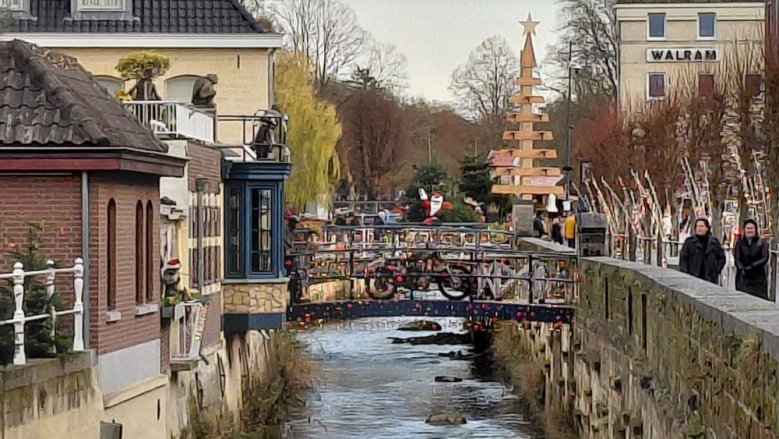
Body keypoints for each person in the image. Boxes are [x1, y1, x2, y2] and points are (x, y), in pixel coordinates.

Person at [679, 217, 726, 284]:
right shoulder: (689, 242)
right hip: (693, 277)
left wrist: (715, 271)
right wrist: (685, 274)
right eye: (697, 226)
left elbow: (721, 258)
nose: (699, 228)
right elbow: (683, 259)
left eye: (701, 226)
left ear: (707, 228)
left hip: (710, 278)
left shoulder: (714, 243)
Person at [733, 219, 769, 300]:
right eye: (747, 228)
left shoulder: (762, 242)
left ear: (755, 230)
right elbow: (736, 256)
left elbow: (765, 257)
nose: (749, 230)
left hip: (758, 278)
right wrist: (741, 267)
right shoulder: (739, 242)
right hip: (743, 278)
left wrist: (752, 266)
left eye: (751, 228)